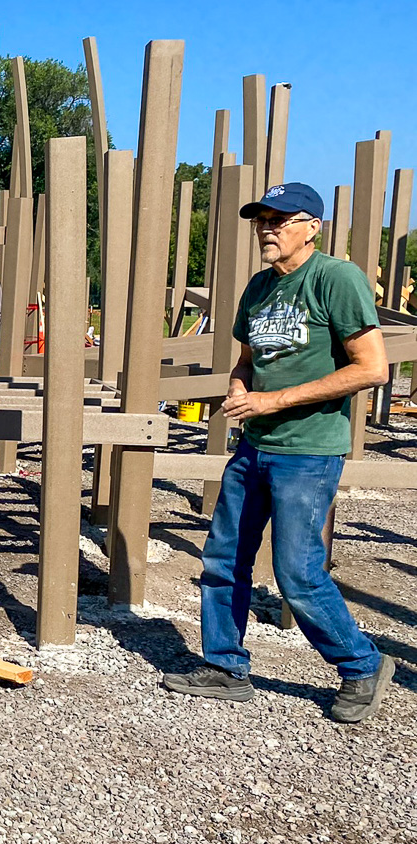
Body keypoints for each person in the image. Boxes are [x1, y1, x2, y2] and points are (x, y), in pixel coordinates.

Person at [163, 182, 393, 723]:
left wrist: (276, 399)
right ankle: (225, 666)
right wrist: (241, 389)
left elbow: (371, 368)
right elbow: (246, 362)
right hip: (255, 447)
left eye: (280, 219)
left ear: (311, 227)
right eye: (261, 220)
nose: (267, 228)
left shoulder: (336, 279)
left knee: (297, 572)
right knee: (223, 560)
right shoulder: (260, 287)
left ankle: (360, 665)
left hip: (309, 452)